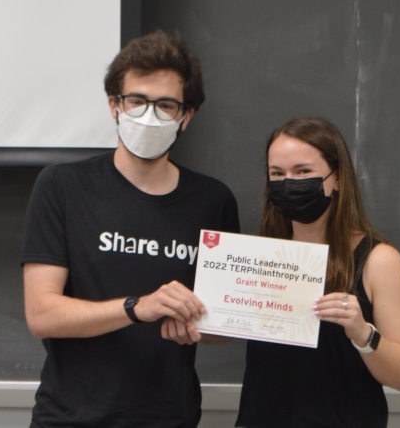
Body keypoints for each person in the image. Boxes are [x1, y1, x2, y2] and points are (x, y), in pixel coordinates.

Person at [21, 31, 240, 428]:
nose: (148, 114)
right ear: (114, 106)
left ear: (186, 116)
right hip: (71, 418)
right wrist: (137, 308)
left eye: (165, 105)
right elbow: (42, 313)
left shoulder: (213, 200)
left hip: (170, 417)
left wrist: (196, 325)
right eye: (136, 100)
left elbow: (224, 329)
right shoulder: (62, 187)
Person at [235, 117, 400, 428]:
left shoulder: (378, 261)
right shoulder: (260, 258)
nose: (288, 183)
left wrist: (363, 333)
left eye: (303, 172)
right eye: (277, 174)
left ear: (337, 179)